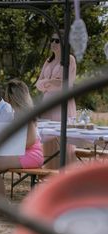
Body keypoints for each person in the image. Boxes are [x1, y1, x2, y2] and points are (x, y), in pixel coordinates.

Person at [0, 79, 44, 197]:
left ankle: (1, 203)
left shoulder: (26, 113)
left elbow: (31, 140)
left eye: (7, 93)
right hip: (23, 152)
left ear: (12, 96)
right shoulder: (17, 112)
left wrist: (10, 148)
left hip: (31, 154)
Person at [36, 31, 77, 166]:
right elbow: (38, 84)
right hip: (48, 104)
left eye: (57, 41)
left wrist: (47, 83)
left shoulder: (70, 60)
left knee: (61, 140)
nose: (53, 43)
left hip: (62, 104)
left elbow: (65, 84)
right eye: (52, 40)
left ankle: (64, 176)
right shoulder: (48, 61)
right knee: (48, 141)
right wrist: (51, 82)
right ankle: (49, 174)